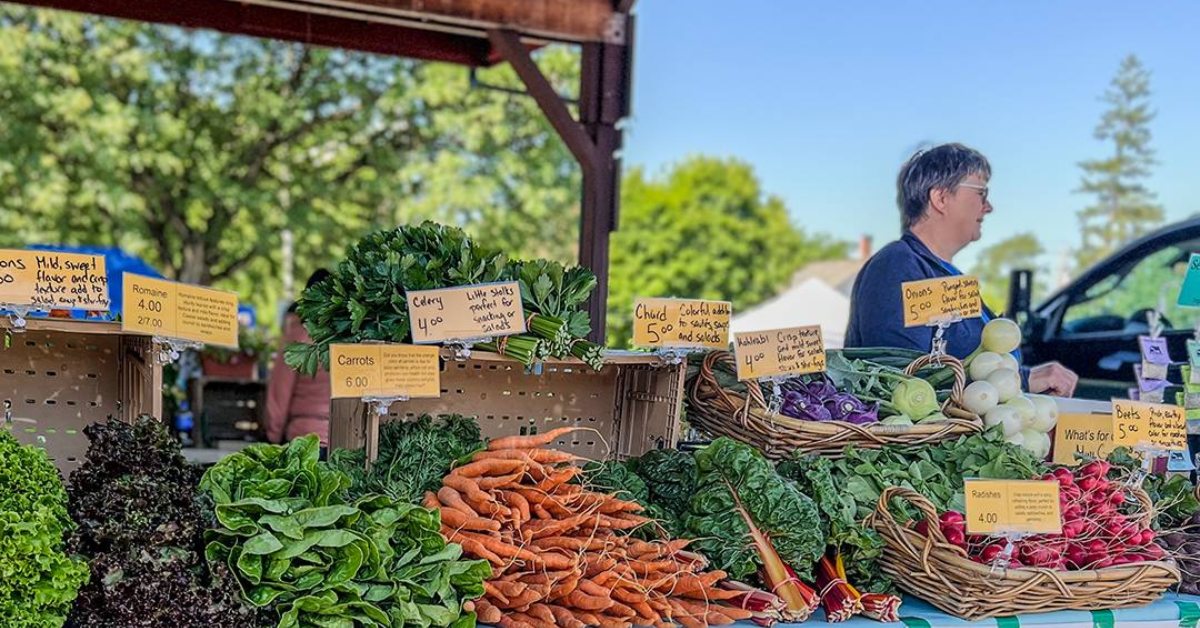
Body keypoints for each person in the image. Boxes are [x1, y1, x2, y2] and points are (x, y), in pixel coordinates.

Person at [845, 143, 1078, 396]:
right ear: (941, 198)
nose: (988, 207)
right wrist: (1022, 380)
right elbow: (901, 379)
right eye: (981, 193)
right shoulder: (897, 266)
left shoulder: (944, 274)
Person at [266, 269, 333, 446]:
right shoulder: (348, 339)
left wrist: (273, 437)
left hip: (304, 437)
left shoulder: (297, 337)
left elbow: (280, 393)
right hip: (344, 438)